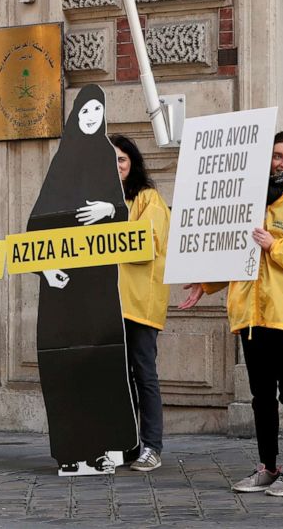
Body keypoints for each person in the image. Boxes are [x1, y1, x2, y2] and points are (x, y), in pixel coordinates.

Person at [179, 131, 283, 496]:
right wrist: (205, 285)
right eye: (277, 156)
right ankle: (267, 467)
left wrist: (275, 245)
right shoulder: (248, 198)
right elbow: (236, 253)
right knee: (261, 396)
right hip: (252, 315)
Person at [27, 84, 138, 475]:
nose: (91, 116)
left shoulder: (107, 155)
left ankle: (99, 449)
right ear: (75, 114)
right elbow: (35, 224)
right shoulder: (63, 158)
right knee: (67, 364)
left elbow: (122, 217)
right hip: (64, 284)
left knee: (99, 361)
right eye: (85, 109)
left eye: (97, 109)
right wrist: (45, 268)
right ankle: (70, 451)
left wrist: (110, 206)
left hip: (98, 281)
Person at [110, 134, 170, 473]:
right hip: (108, 304)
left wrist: (111, 217)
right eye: (110, 159)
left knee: (144, 373)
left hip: (139, 302)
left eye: (121, 159)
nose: (116, 166)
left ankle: (152, 446)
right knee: (117, 377)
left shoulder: (148, 198)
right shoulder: (93, 200)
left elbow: (146, 241)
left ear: (133, 163)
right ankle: (127, 443)